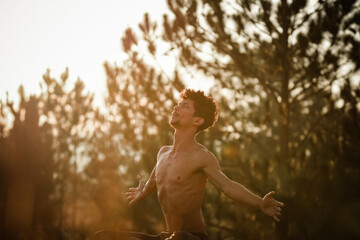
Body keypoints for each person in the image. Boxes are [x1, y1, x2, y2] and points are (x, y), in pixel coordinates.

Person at [93, 89, 284, 240]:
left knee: (180, 238)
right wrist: (143, 191)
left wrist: (260, 204)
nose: (176, 108)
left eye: (184, 106)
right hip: (167, 236)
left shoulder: (201, 156)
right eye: (177, 104)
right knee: (102, 236)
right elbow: (155, 182)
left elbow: (228, 186)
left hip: (192, 238)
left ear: (197, 120)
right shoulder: (163, 153)